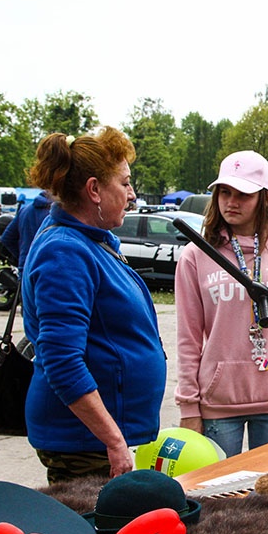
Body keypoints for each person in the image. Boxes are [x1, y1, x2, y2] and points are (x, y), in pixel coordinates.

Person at [21, 128, 167, 484]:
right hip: (85, 444)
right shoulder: (65, 251)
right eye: (125, 184)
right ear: (94, 190)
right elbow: (61, 360)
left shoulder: (89, 242)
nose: (132, 195)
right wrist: (114, 440)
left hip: (96, 439)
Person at [174, 150, 268, 457]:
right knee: (217, 499)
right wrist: (189, 406)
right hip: (218, 402)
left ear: (265, 198)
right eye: (224, 192)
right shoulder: (195, 254)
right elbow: (188, 339)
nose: (231, 202)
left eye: (243, 194)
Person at [0, 190, 52, 270]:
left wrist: (21, 255)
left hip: (25, 266)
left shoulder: (24, 210)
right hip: (47, 267)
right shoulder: (55, 213)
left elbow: (7, 238)